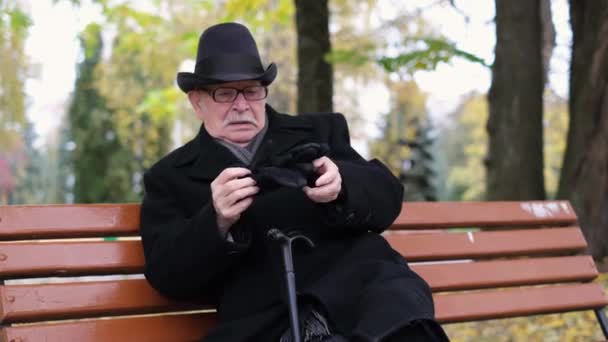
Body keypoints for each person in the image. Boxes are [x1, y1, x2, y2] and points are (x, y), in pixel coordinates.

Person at [140, 22, 449, 342]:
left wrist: (343, 185)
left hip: (359, 294)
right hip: (267, 320)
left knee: (404, 323)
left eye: (251, 90)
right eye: (225, 93)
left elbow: (387, 198)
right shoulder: (171, 177)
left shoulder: (319, 133)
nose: (242, 105)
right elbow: (167, 276)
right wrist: (216, 221)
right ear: (197, 102)